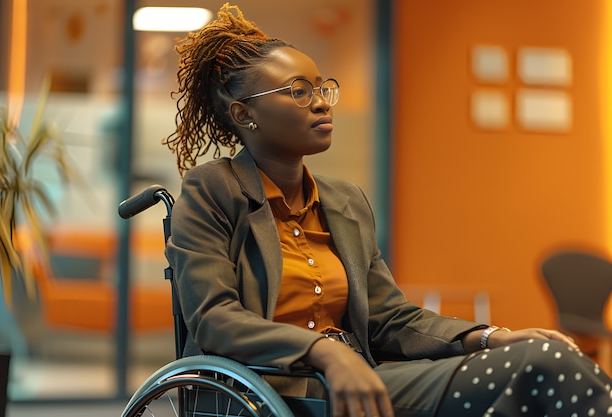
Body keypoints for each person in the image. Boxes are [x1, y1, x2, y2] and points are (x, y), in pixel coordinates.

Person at [164, 4, 612, 416]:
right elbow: (215, 318)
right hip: (272, 389)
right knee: (543, 365)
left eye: (322, 88)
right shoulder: (212, 189)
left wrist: (490, 337)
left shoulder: (344, 201)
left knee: (532, 373)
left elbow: (391, 318)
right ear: (245, 115)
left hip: (362, 378)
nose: (321, 101)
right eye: (299, 92)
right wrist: (325, 352)